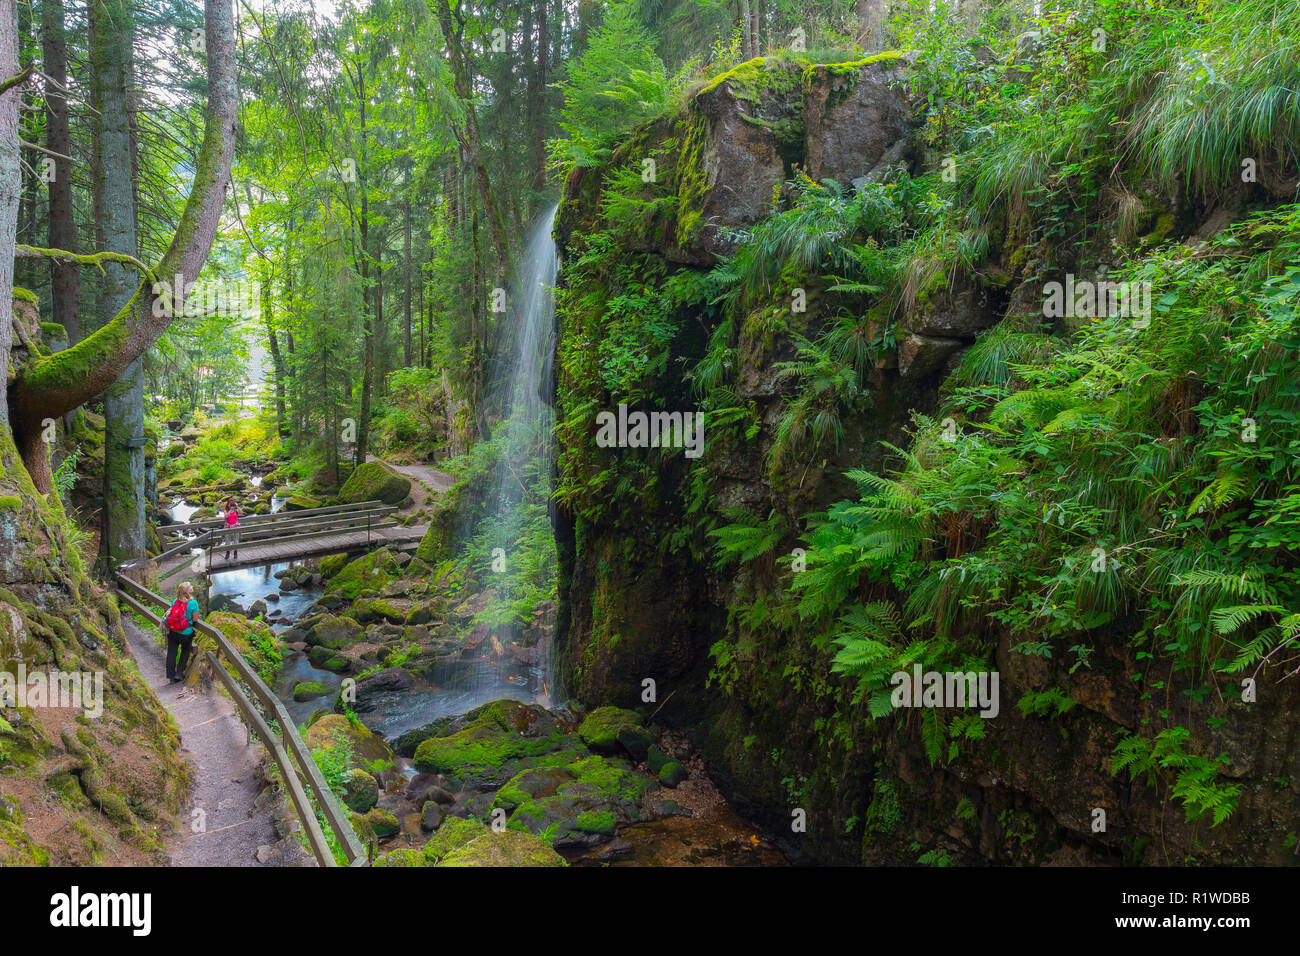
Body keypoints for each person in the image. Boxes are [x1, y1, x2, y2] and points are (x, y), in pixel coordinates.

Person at [163, 582, 200, 684]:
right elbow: (195, 619)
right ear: (188, 591)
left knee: (171, 652)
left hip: (173, 631)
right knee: (185, 651)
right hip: (185, 634)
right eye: (190, 586)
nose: (192, 586)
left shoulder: (175, 600)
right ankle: (179, 673)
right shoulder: (193, 603)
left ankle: (171, 676)